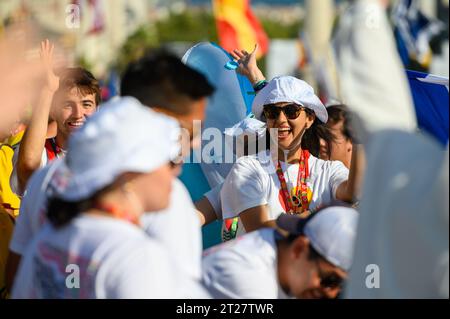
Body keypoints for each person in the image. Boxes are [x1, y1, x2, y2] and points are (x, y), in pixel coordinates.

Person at [11, 97, 184, 299]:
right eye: (170, 161)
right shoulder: (134, 256)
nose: (178, 171)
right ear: (132, 172)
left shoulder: (47, 238)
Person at [218, 74, 363, 236]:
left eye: (291, 111)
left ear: (309, 118)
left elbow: (353, 193)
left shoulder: (328, 170)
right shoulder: (248, 167)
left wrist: (359, 136)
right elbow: (260, 231)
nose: (281, 120)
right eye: (272, 112)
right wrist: (322, 214)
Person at [120, 50, 216, 290]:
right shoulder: (169, 199)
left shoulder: (54, 178)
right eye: (191, 130)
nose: (195, 143)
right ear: (159, 118)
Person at [202, 205, 359, 299]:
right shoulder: (252, 281)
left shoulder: (275, 245)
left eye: (341, 286)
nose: (332, 293)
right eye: (330, 280)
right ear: (299, 248)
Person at [11, 40, 100, 195]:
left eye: (86, 104)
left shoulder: (108, 151)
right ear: (53, 111)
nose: (78, 114)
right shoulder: (41, 152)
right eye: (67, 105)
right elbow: (29, 165)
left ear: (97, 109)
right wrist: (48, 90)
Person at [319, 104, 354, 169]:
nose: (321, 142)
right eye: (319, 135)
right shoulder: (312, 175)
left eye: (328, 137)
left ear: (351, 141)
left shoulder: (372, 177)